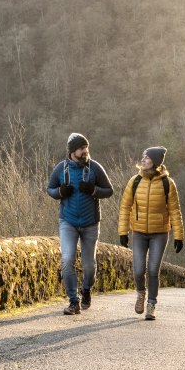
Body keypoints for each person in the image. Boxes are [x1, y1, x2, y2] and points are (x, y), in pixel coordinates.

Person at [47, 133, 114, 315]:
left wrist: (93, 190)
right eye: (81, 148)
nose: (85, 151)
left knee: (89, 265)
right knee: (67, 260)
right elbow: (50, 189)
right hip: (68, 221)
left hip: (90, 222)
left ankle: (86, 290)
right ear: (72, 151)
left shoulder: (95, 168)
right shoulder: (61, 169)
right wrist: (60, 192)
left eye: (86, 147)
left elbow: (109, 190)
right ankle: (73, 301)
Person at [118, 146, 184, 320]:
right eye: (143, 157)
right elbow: (125, 207)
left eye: (146, 158)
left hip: (160, 234)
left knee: (153, 270)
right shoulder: (135, 181)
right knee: (139, 270)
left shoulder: (167, 183)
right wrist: (123, 231)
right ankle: (141, 294)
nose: (143, 160)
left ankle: (151, 304)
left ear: (155, 162)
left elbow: (175, 211)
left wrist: (178, 236)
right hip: (138, 232)